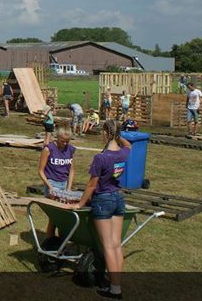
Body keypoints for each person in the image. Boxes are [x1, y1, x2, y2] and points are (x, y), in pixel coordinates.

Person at [74, 120, 132, 299]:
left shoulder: (101, 158)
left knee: (107, 246)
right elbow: (128, 144)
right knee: (116, 245)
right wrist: (117, 136)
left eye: (103, 133)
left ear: (106, 134)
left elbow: (92, 185)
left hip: (103, 201)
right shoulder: (124, 153)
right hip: (118, 198)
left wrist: (80, 204)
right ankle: (116, 284)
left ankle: (114, 289)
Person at [38, 126, 75, 238]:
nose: (65, 144)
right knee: (55, 216)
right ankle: (50, 240)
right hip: (52, 183)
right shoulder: (48, 149)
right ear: (57, 137)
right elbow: (40, 171)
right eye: (62, 141)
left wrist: (69, 187)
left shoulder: (71, 149)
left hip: (64, 184)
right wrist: (49, 186)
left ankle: (61, 241)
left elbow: (72, 170)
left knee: (63, 216)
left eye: (67, 141)